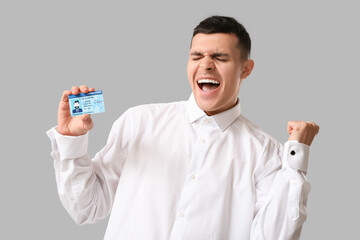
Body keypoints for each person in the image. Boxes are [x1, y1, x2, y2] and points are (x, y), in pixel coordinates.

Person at [47, 16, 319, 240]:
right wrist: (72, 141)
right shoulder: (139, 122)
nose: (206, 64)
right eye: (197, 55)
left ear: (245, 69)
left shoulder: (265, 152)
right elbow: (87, 208)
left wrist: (297, 157)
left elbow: (274, 236)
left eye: (220, 57)